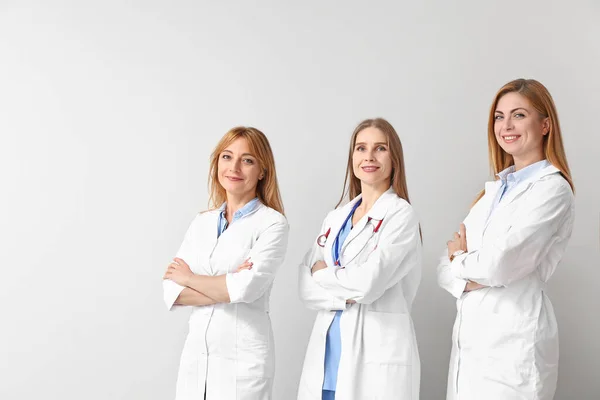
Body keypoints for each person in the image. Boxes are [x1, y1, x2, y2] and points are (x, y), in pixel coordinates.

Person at [437, 79, 575, 400]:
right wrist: (467, 270)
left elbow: (499, 265)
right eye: (499, 117)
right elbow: (441, 269)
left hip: (514, 348)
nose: (506, 126)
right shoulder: (491, 194)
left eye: (518, 115)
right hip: (470, 348)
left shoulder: (552, 190)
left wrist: (461, 261)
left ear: (545, 125)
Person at [297, 118, 422, 400]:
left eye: (380, 148)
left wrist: (322, 275)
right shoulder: (335, 217)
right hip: (327, 359)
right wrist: (346, 291)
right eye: (361, 148)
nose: (369, 157)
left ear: (394, 158)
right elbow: (304, 288)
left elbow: (368, 284)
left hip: (374, 362)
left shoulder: (401, 215)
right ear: (352, 157)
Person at [162, 126, 289, 400]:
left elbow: (247, 289)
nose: (234, 167)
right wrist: (226, 285)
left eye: (247, 160)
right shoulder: (202, 222)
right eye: (227, 157)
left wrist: (189, 278)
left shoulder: (272, 224)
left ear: (262, 170)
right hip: (197, 360)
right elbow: (170, 290)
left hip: (243, 364)